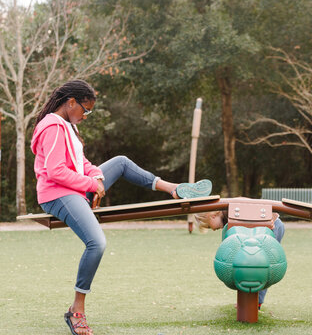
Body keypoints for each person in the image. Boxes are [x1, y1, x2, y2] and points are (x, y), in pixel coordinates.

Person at [31, 79, 212, 335]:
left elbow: (83, 163)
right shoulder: (51, 127)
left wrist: (96, 178)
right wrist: (91, 185)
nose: (86, 115)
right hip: (57, 193)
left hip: (76, 186)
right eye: (86, 110)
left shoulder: (68, 128)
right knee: (97, 243)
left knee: (122, 162)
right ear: (71, 102)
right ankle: (77, 310)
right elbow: (55, 171)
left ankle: (173, 188)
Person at [194, 209, 285, 309]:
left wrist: (267, 221)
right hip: (260, 228)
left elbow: (253, 208)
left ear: (212, 216)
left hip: (272, 226)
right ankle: (247, 301)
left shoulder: (232, 210)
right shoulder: (227, 217)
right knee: (245, 263)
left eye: (208, 226)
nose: (212, 229)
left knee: (262, 265)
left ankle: (256, 302)